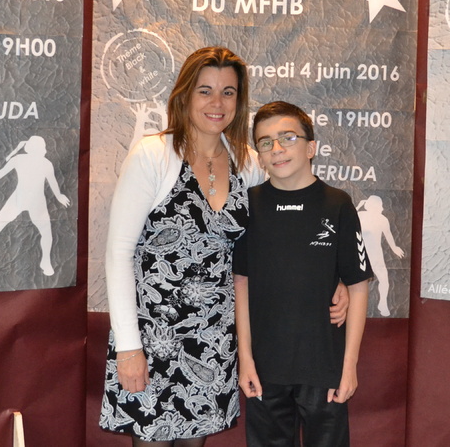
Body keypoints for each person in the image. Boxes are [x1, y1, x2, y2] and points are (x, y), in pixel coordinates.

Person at [99, 48, 350, 447]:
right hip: (152, 337)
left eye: (228, 92)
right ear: (185, 95)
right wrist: (129, 347)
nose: (217, 103)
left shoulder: (247, 164)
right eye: (205, 91)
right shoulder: (153, 154)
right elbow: (118, 254)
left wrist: (335, 277)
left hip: (213, 337)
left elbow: (293, 221)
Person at [234, 101, 372, 447]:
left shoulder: (337, 204)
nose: (277, 148)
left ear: (311, 148)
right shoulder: (248, 205)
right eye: (266, 142)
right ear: (259, 156)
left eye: (288, 138)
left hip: (323, 370)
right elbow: (241, 284)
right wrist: (246, 359)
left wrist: (349, 366)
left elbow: (358, 285)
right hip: (265, 371)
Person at [0, 135, 70, 276]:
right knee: (43, 232)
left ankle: (45, 262)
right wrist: (59, 196)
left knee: (44, 231)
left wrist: (59, 196)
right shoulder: (36, 161)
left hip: (30, 200)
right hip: (24, 199)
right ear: (42, 148)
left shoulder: (28, 160)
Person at [356, 195, 405, 316]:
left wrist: (394, 247)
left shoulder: (382, 219)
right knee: (357, 283)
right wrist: (358, 207)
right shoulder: (360, 215)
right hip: (360, 254)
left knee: (383, 279)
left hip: (375, 254)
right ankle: (356, 308)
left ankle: (382, 303)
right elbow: (348, 219)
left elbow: (388, 235)